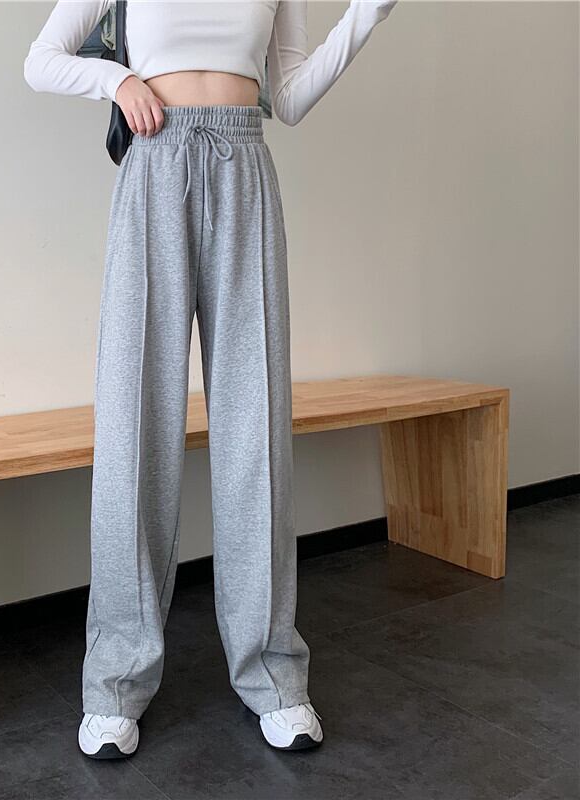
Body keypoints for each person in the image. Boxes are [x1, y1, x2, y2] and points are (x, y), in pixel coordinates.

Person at [24, 0, 398, 759]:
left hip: (244, 167)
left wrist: (367, 12)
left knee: (257, 428)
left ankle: (274, 675)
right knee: (134, 428)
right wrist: (116, 80)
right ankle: (116, 682)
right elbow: (41, 60)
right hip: (154, 169)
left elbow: (288, 96)